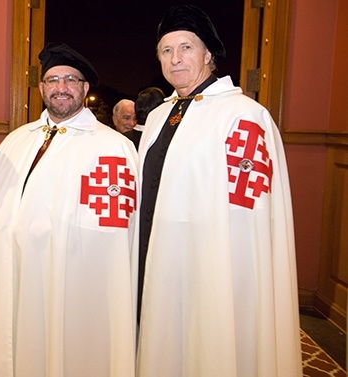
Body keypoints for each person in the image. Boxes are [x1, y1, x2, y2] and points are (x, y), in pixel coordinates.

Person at [135, 5, 301, 377]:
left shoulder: (243, 115)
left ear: (209, 54)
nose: (175, 59)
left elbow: (250, 209)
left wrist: (229, 274)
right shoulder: (161, 115)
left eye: (186, 48)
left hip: (214, 264)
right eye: (166, 50)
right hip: (157, 254)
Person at [0, 42, 139, 377]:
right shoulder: (17, 141)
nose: (61, 88)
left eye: (70, 80)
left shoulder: (113, 147)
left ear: (85, 89)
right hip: (11, 278)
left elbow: (117, 239)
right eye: (53, 80)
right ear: (41, 88)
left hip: (69, 289)